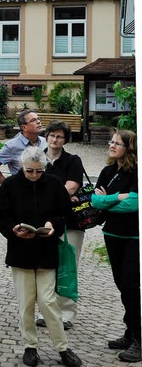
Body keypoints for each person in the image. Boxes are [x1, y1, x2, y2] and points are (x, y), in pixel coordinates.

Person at [0, 147, 82, 367]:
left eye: (38, 171)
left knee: (48, 301)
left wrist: (54, 224)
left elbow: (65, 214)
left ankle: (62, 347)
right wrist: (13, 229)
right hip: (20, 251)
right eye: (29, 170)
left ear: (45, 168)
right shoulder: (10, 185)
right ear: (22, 167)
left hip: (46, 250)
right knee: (26, 303)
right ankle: (30, 346)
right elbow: (1, 216)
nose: (34, 175)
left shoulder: (53, 184)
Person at [92, 130, 139, 363]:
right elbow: (94, 201)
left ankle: (139, 338)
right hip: (111, 234)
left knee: (131, 286)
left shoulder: (136, 172)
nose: (112, 145)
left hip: (133, 237)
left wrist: (108, 200)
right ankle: (131, 332)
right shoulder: (107, 171)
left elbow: (135, 204)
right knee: (122, 285)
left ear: (129, 147)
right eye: (111, 141)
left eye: (117, 143)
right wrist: (118, 198)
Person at [36, 121, 84, 329]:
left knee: (67, 266)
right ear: (46, 137)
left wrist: (50, 195)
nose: (55, 140)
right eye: (52, 135)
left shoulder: (73, 160)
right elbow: (31, 187)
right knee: (45, 266)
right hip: (42, 221)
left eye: (59, 136)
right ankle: (46, 311)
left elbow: (72, 188)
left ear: (65, 139)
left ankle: (66, 313)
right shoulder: (37, 158)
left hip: (70, 223)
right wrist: (61, 195)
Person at [0, 110, 45, 177]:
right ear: (24, 127)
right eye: (33, 120)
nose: (39, 122)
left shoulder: (45, 142)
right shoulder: (12, 146)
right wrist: (4, 182)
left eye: (39, 119)